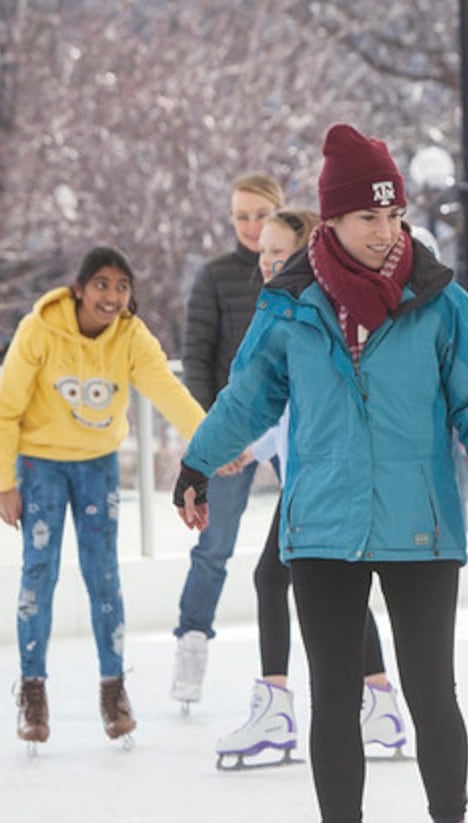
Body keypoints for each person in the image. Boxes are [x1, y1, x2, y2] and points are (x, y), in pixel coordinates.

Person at [173, 124, 468, 823]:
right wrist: (199, 461)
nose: (387, 231)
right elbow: (247, 398)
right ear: (333, 222)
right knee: (335, 697)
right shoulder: (292, 306)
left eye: (395, 214)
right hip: (323, 528)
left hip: (421, 524)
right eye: (370, 217)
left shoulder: (443, 302)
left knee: (430, 689)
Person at [0, 246, 206, 748]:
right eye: (102, 284)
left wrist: (213, 441)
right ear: (80, 289)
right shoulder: (40, 329)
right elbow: (3, 410)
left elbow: (167, 393)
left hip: (97, 467)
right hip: (39, 465)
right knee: (38, 572)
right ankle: (33, 690)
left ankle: (113, 689)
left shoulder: (130, 336)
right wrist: (5, 483)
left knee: (103, 574)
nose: (112, 296)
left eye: (122, 287)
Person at [213, 206, 408, 770]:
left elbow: (304, 403)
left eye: (281, 253)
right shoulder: (288, 306)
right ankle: (380, 702)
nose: (269, 263)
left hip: (326, 478)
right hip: (311, 475)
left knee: (275, 577)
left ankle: (278, 709)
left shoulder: (311, 309)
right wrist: (248, 443)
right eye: (263, 253)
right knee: (321, 581)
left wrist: (249, 443)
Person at [169, 173, 286, 712]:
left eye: (260, 214)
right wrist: (216, 436)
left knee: (320, 545)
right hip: (231, 432)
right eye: (240, 215)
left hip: (292, 427)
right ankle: (191, 648)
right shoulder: (215, 276)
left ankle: (361, 674)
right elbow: (197, 357)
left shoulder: (299, 268)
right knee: (214, 548)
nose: (250, 226)